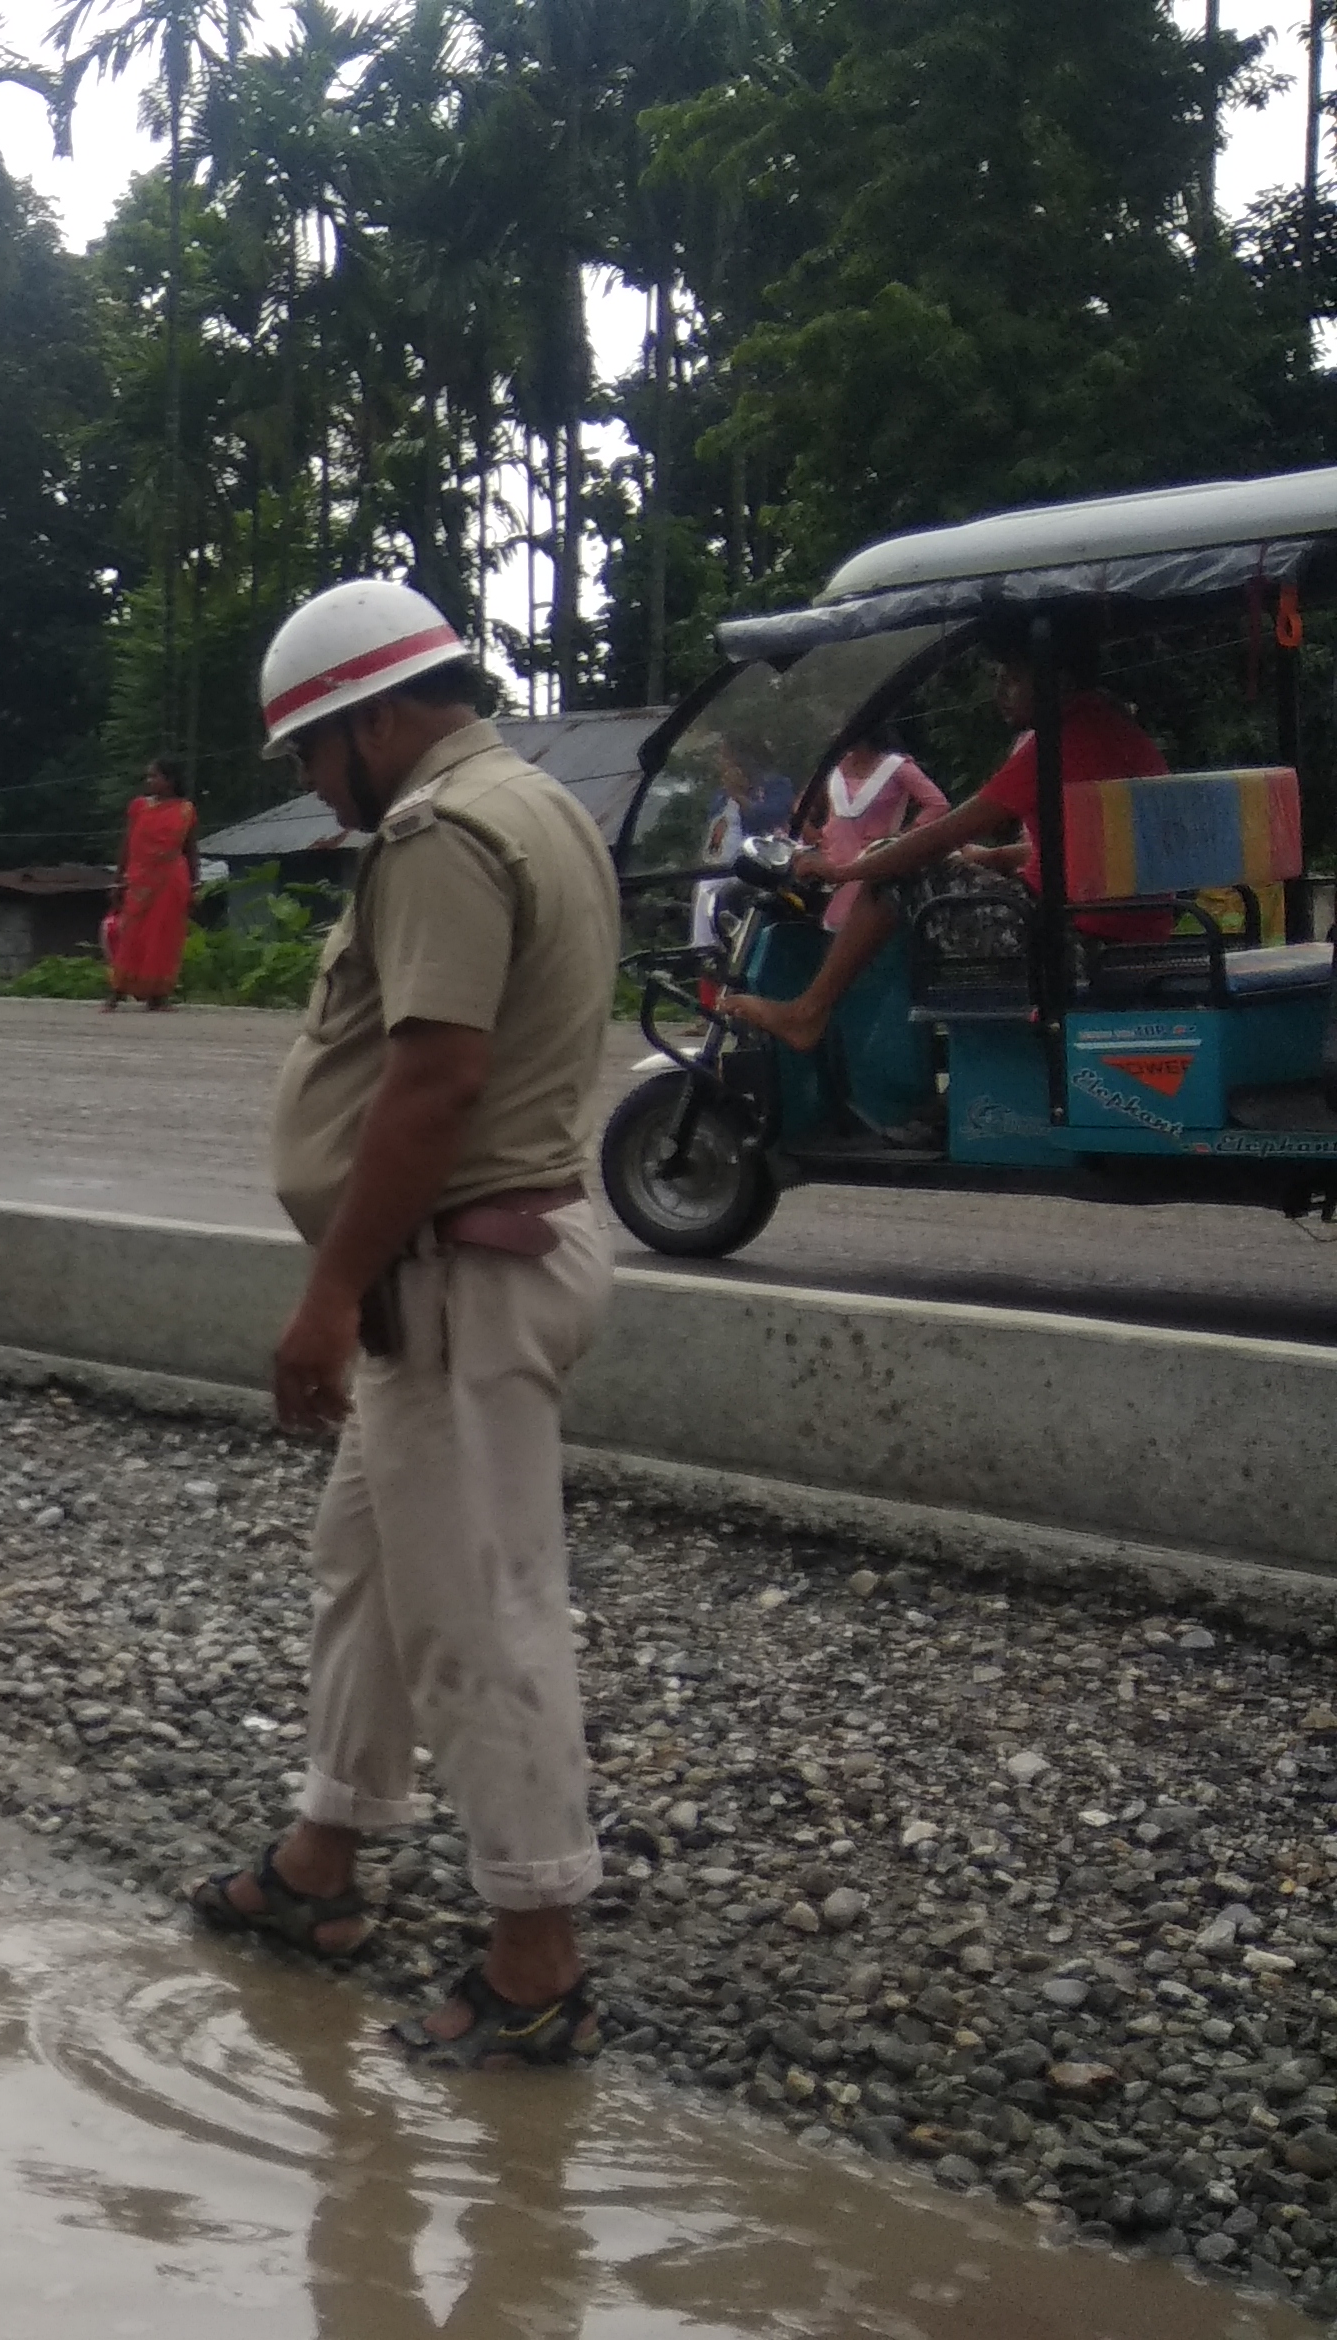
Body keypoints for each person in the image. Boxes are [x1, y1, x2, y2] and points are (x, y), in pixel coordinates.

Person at [188, 578, 621, 2070]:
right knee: (367, 1571)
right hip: (441, 1280)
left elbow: (435, 1081)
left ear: (377, 719)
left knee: (474, 1611)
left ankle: (535, 1953)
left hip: (453, 1280)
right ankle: (323, 1865)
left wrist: (323, 1295)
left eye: (315, 753)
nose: (314, 788)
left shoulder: (443, 833)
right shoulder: (533, 803)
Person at [723, 646, 1165, 1053]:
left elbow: (945, 830)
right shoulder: (1112, 731)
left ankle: (808, 1012)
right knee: (907, 865)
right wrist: (992, 858)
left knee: (895, 867)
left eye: (1012, 680)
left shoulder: (1059, 742)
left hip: (1070, 945)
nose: (1000, 693)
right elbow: (1083, 848)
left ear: (1060, 684)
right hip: (1113, 935)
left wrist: (843, 873)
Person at [810, 736, 950, 933]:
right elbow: (803, 806)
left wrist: (903, 838)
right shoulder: (834, 767)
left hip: (871, 866)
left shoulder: (897, 767)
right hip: (825, 870)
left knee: (853, 935)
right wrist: (813, 839)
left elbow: (938, 805)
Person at [106, 759, 199, 1012]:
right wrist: (117, 879)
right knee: (131, 936)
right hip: (139, 881)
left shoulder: (185, 810)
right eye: (148, 777)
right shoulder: (139, 807)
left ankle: (158, 995)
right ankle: (117, 991)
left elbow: (190, 850)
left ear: (170, 780)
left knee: (165, 937)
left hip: (172, 880)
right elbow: (127, 844)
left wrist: (195, 884)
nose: (149, 782)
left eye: (154, 776)